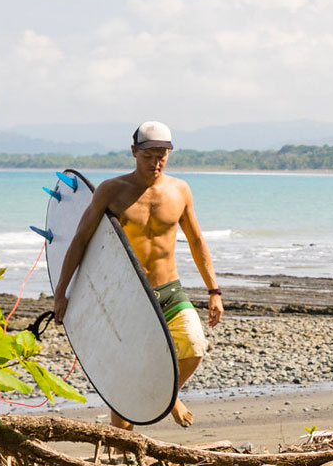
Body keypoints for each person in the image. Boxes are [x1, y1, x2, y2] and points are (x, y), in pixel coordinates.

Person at [51, 121, 224, 428]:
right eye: (148, 155)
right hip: (129, 294)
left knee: (195, 347)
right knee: (127, 375)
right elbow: (80, 239)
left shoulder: (180, 190)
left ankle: (167, 397)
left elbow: (197, 241)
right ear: (133, 152)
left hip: (170, 288)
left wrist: (214, 291)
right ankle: (122, 450)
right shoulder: (111, 191)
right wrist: (61, 292)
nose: (156, 162)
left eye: (162, 154)